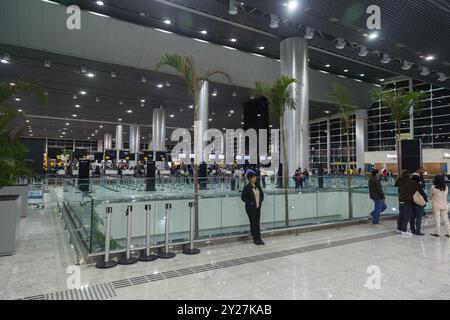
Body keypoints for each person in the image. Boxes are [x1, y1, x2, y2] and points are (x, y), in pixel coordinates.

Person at [241, 171, 265, 245]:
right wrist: (250, 203)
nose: (255, 178)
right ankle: (255, 239)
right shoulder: (247, 188)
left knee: (257, 223)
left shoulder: (258, 186)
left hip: (258, 207)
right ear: (249, 178)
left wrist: (260, 202)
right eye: (254, 177)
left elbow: (261, 195)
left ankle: (259, 238)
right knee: (253, 223)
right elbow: (243, 197)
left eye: (255, 177)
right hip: (250, 208)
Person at [395, 170, 419, 235]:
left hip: (401, 201)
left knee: (401, 215)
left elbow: (396, 185)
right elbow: (419, 186)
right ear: (408, 175)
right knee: (406, 216)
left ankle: (399, 229)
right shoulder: (411, 182)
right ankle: (404, 230)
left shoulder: (400, 181)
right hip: (407, 202)